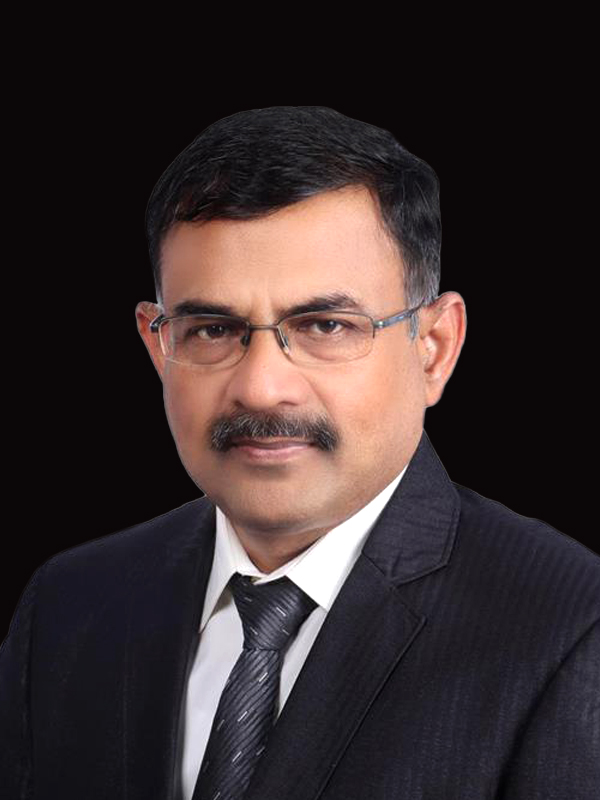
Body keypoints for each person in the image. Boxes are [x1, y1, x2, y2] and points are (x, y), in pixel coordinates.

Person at [1, 106, 598, 800]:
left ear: (433, 348)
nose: (261, 387)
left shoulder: (570, 629)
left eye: (325, 325)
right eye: (213, 329)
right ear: (158, 348)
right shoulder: (68, 606)